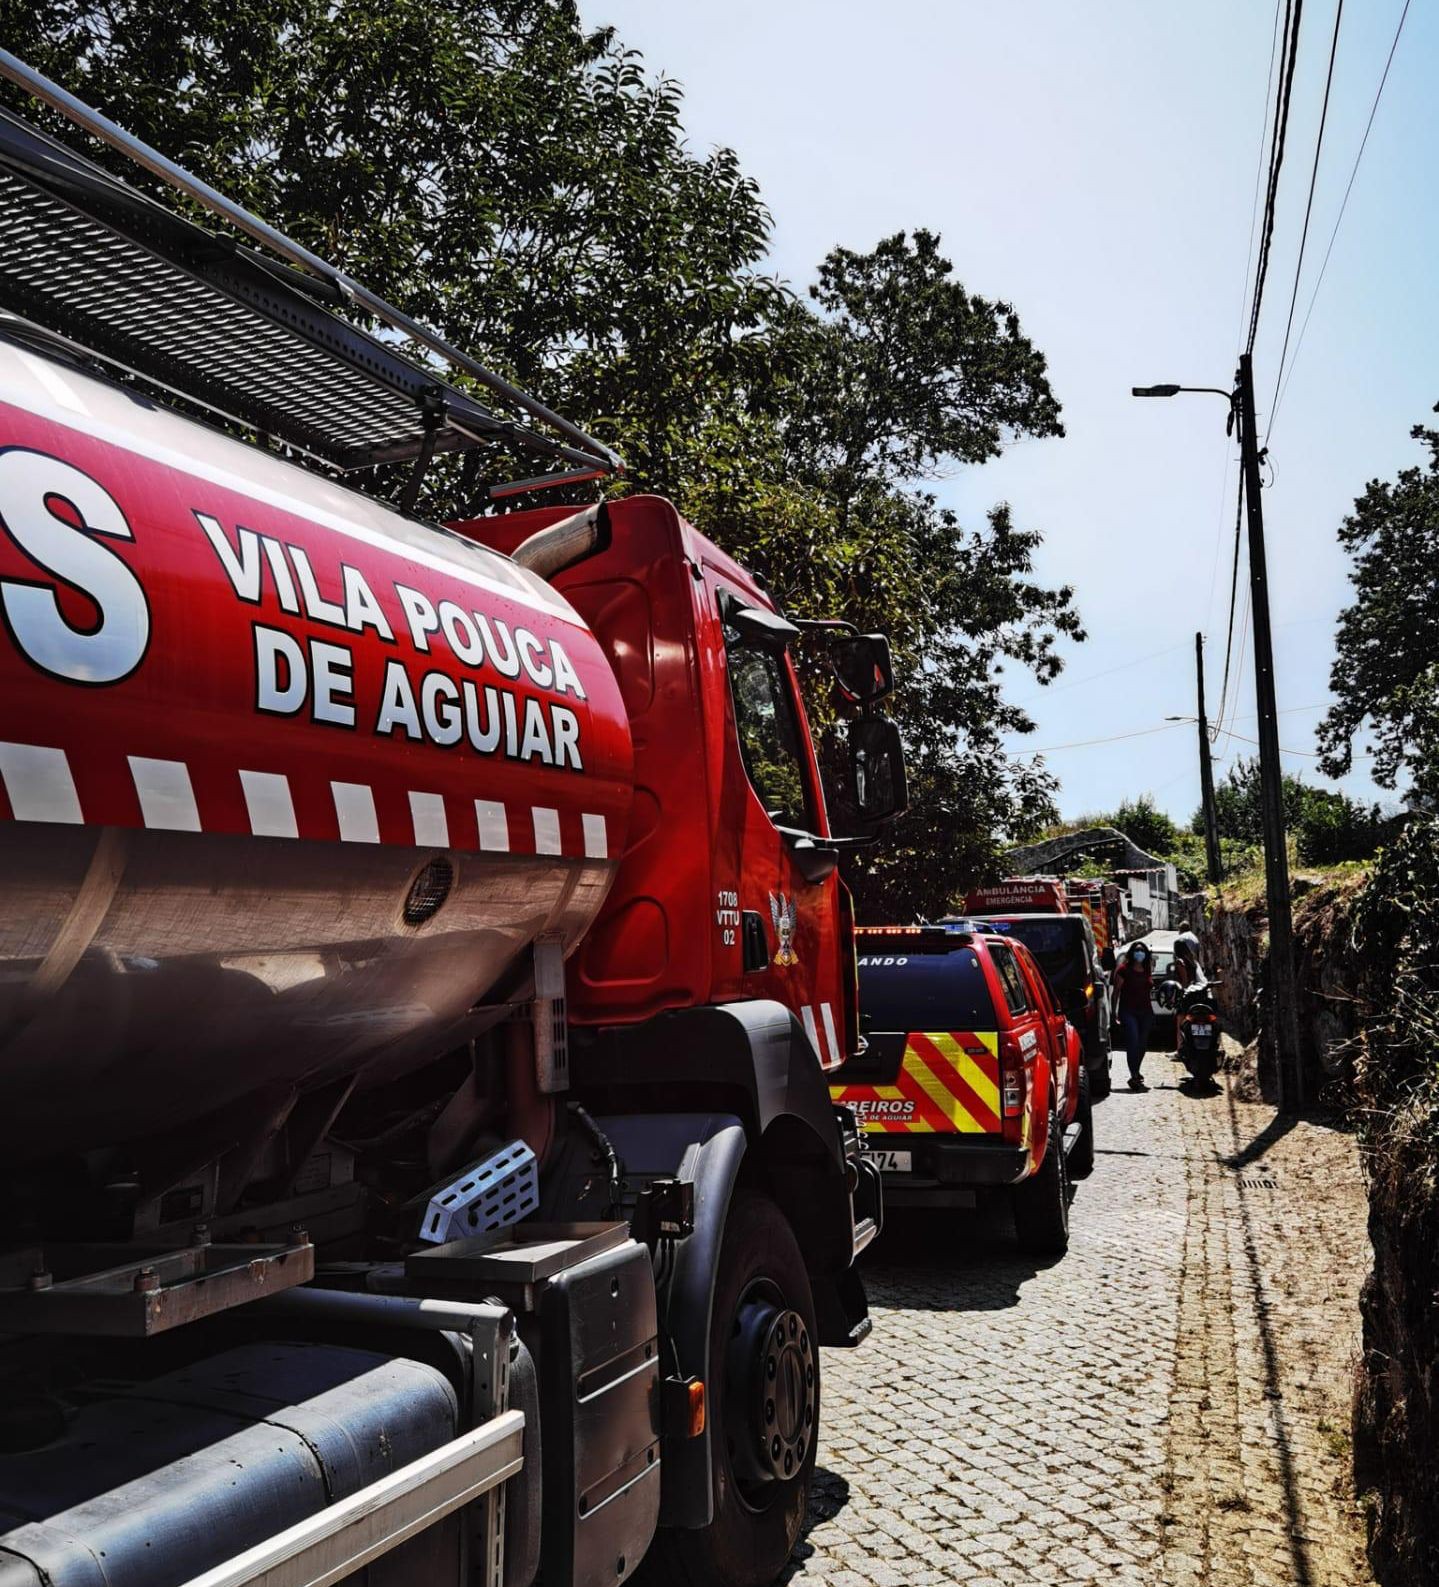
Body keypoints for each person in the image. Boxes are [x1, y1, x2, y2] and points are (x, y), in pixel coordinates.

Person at [1112, 941, 1155, 1091]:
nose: (1139, 953)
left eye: (1142, 950)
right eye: (1137, 950)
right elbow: (1116, 991)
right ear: (1132, 952)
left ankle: (1136, 1072)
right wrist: (1114, 1012)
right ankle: (1135, 1074)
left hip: (1146, 1012)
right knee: (1133, 1041)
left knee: (1142, 1044)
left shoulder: (1147, 969)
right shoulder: (1124, 970)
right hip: (1128, 1011)